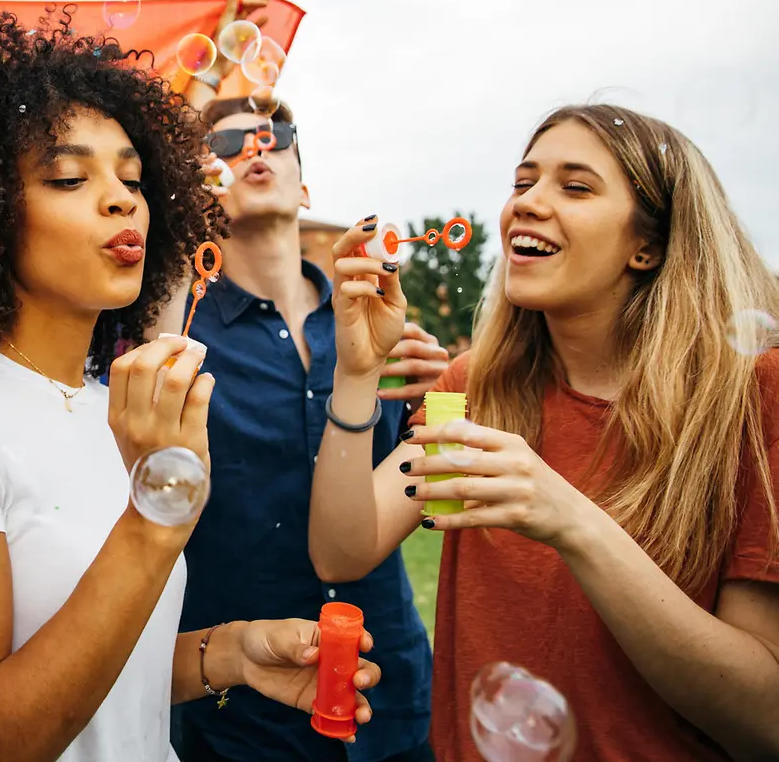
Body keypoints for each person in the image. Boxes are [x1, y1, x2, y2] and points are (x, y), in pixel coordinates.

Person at [0, 11, 381, 762]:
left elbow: (106, 675)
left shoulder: (104, 404)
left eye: (135, 178)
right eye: (69, 177)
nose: (122, 201)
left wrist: (233, 654)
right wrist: (158, 512)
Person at [310, 105, 779, 761]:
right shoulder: (477, 385)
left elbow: (765, 720)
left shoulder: (754, 398)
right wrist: (356, 371)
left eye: (575, 186)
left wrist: (571, 520)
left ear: (647, 244)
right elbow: (341, 552)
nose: (527, 203)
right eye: (523, 182)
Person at [155, 0, 445, 762]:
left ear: (305, 185)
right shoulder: (174, 331)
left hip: (396, 702)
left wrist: (438, 400)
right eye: (224, 142)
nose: (254, 146)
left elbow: (429, 491)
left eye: (273, 134)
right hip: (243, 719)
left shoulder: (379, 327)